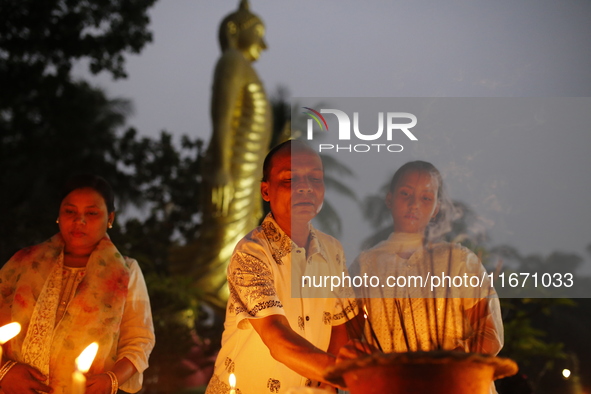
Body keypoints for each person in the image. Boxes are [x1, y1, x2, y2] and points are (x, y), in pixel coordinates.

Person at [205, 141, 356, 394]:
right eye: (289, 180)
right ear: (266, 190)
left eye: (315, 179)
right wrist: (351, 374)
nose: (305, 188)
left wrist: (329, 383)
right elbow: (277, 338)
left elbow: (341, 327)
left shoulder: (333, 251)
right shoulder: (251, 253)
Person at [0, 174, 155, 394]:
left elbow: (139, 340)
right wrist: (4, 372)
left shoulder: (127, 272)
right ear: (59, 215)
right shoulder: (22, 263)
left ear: (110, 218)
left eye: (91, 213)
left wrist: (110, 380)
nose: (79, 221)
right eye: (70, 211)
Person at [350, 160, 502, 362]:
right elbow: (349, 342)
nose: (414, 204)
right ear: (389, 199)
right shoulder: (364, 266)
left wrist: (439, 369)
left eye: (426, 198)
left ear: (436, 209)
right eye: (405, 193)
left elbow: (490, 336)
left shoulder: (458, 261)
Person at [190, 0, 273, 308]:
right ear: (235, 30)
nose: (263, 44)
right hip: (232, 170)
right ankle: (197, 309)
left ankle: (222, 304)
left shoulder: (244, 68)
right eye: (258, 33)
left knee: (241, 241)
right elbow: (222, 118)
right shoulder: (232, 61)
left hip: (247, 177)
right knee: (222, 243)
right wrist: (222, 169)